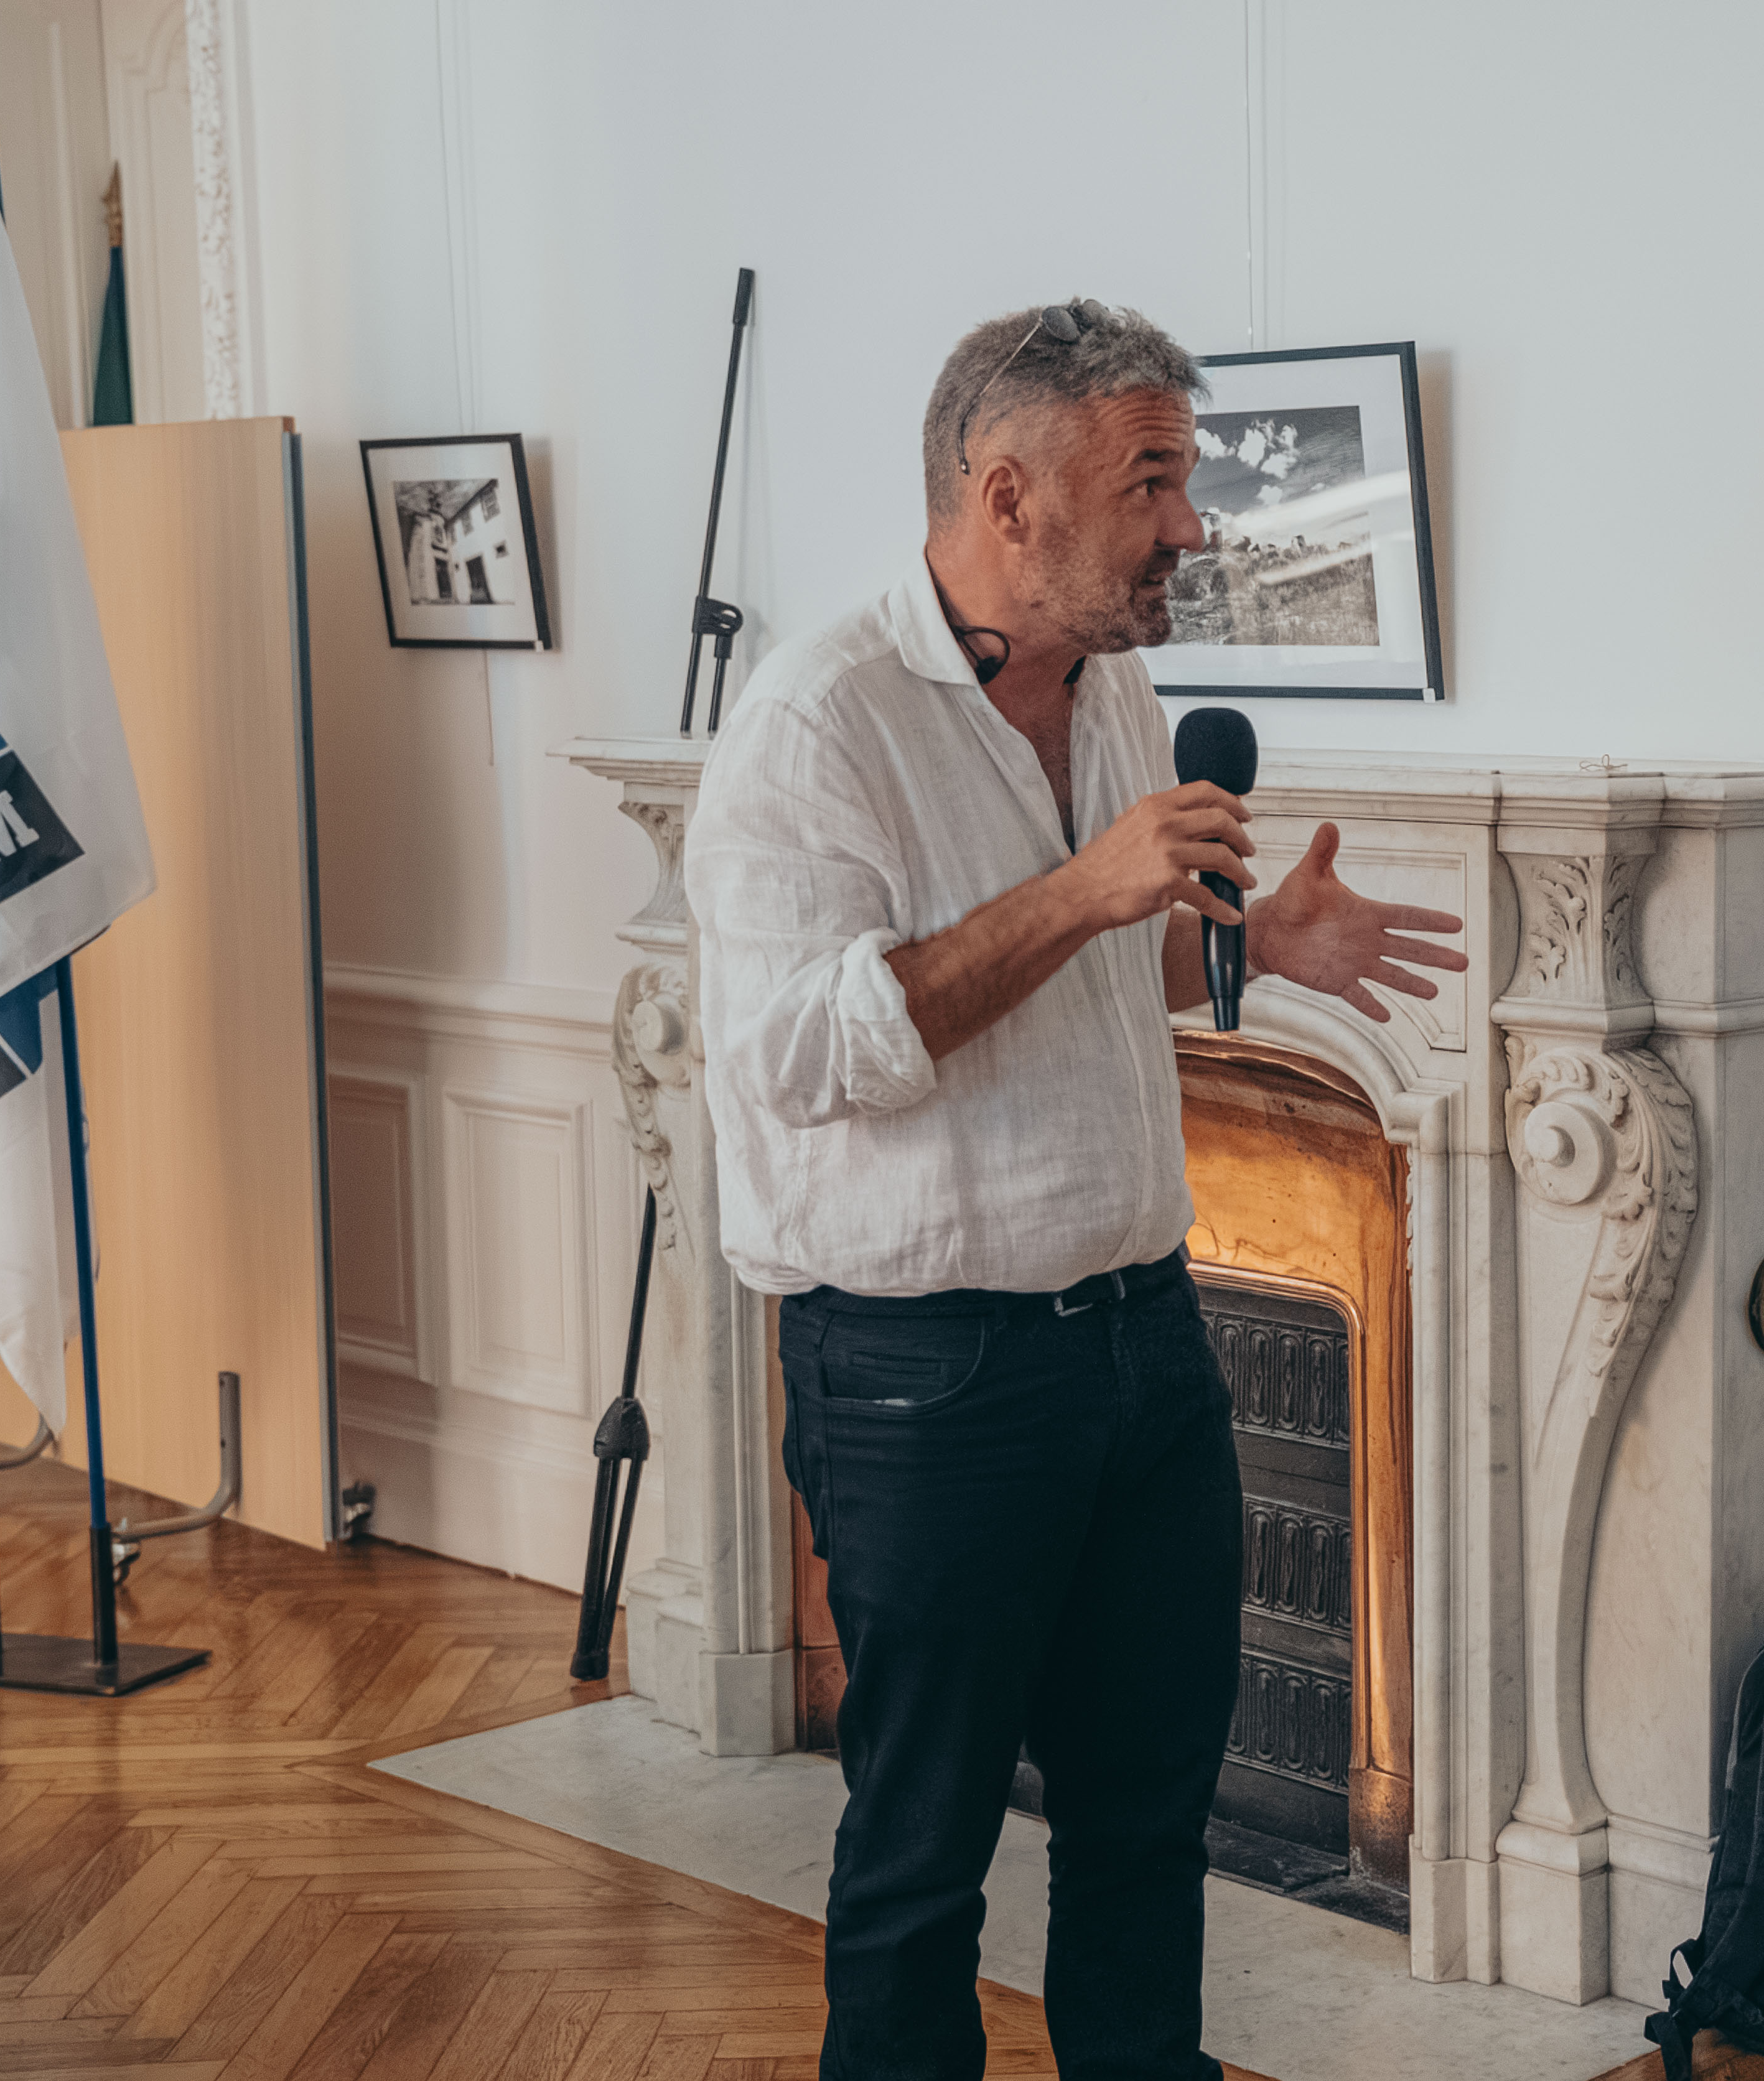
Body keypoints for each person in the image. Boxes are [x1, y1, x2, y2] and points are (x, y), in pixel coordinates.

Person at [687, 299, 1469, 2081]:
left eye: (1186, 480)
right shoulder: (815, 724)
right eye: (1152, 483)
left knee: (1147, 1819)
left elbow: (1091, 965)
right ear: (1008, 494)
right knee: (924, 1847)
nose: (1191, 523)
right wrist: (1087, 889)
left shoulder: (1112, 687)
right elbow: (792, 1056)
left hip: (1144, 1345)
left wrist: (1249, 942)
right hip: (925, 1376)